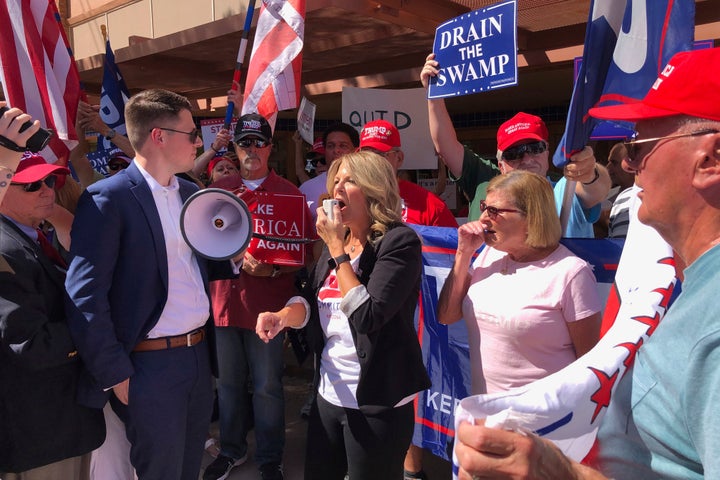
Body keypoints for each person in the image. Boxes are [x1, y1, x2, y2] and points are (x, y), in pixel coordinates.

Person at [453, 47, 720, 480]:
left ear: (711, 158)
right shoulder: (696, 289)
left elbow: (592, 187)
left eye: (639, 145)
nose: (629, 164)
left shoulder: (714, 328)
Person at [65, 89, 236, 480]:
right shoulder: (107, 198)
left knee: (189, 467)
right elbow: (84, 296)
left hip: (197, 356)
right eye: (191, 133)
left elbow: (197, 268)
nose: (199, 141)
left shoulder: (193, 193)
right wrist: (115, 373)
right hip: (147, 365)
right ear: (158, 136)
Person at [256, 150, 431, 479]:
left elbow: (368, 316)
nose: (337, 188)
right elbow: (310, 301)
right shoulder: (342, 242)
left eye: (349, 180)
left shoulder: (398, 242)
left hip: (377, 401)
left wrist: (337, 251)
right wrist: (282, 316)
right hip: (329, 394)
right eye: (335, 180)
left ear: (373, 188)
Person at [203, 112, 315, 480]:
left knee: (267, 386)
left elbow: (304, 255)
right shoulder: (218, 192)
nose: (251, 149)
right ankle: (232, 450)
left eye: (258, 142)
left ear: (270, 147)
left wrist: (272, 270)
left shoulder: (290, 194)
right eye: (244, 142)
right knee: (230, 385)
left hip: (268, 307)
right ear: (235, 148)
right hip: (223, 305)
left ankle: (271, 459)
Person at [439, 170, 601, 395]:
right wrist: (463, 253)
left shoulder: (571, 273)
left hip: (542, 423)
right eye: (485, 206)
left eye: (494, 211)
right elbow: (447, 316)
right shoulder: (488, 254)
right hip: (485, 417)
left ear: (531, 217)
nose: (483, 217)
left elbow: (590, 364)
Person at [357, 119, 456, 479]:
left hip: (418, 317)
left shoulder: (426, 202)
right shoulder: (353, 200)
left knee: (408, 392)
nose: (377, 163)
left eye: (382, 155)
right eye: (367, 155)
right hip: (366, 317)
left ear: (398, 157)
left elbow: (452, 256)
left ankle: (412, 470)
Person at [420, 53, 611, 237]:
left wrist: (589, 173)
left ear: (547, 152)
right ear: (501, 164)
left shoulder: (563, 192)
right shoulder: (485, 183)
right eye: (514, 152)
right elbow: (446, 147)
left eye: (535, 148)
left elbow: (594, 189)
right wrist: (434, 94)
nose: (527, 158)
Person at [1, 152, 105, 478]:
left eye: (50, 180)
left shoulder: (28, 237)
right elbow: (29, 344)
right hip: (40, 430)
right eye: (32, 185)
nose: (47, 190)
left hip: (57, 421)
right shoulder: (6, 249)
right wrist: (95, 326)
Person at [359, 119, 458, 228]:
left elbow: (452, 242)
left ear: (399, 158)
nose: (371, 162)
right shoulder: (350, 199)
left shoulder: (429, 204)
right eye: (365, 156)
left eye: (380, 155)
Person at [299, 122, 359, 220]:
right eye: (331, 146)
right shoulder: (307, 189)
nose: (336, 150)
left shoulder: (367, 187)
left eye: (343, 146)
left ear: (356, 151)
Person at [605, 142, 636, 238]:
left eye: (614, 162)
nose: (607, 167)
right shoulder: (606, 196)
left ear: (631, 165)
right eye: (608, 162)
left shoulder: (646, 199)